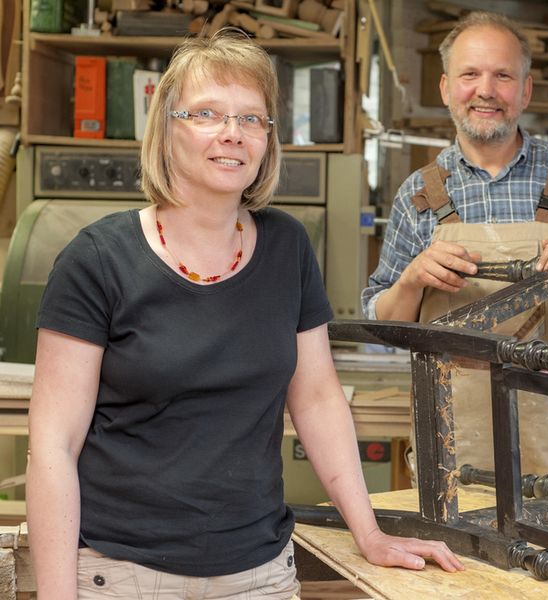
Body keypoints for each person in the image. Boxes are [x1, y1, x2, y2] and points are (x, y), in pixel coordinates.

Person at [26, 30, 463, 600]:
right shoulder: (97, 259)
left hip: (258, 575)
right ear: (166, 129)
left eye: (251, 118)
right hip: (121, 574)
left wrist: (370, 532)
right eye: (207, 113)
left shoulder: (287, 246)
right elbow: (53, 446)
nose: (232, 132)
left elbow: (317, 398)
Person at [362, 12, 548, 477]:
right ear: (445, 88)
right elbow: (384, 325)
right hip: (451, 449)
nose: (486, 90)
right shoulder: (420, 191)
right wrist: (411, 281)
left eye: (503, 76)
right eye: (470, 74)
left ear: (525, 90)